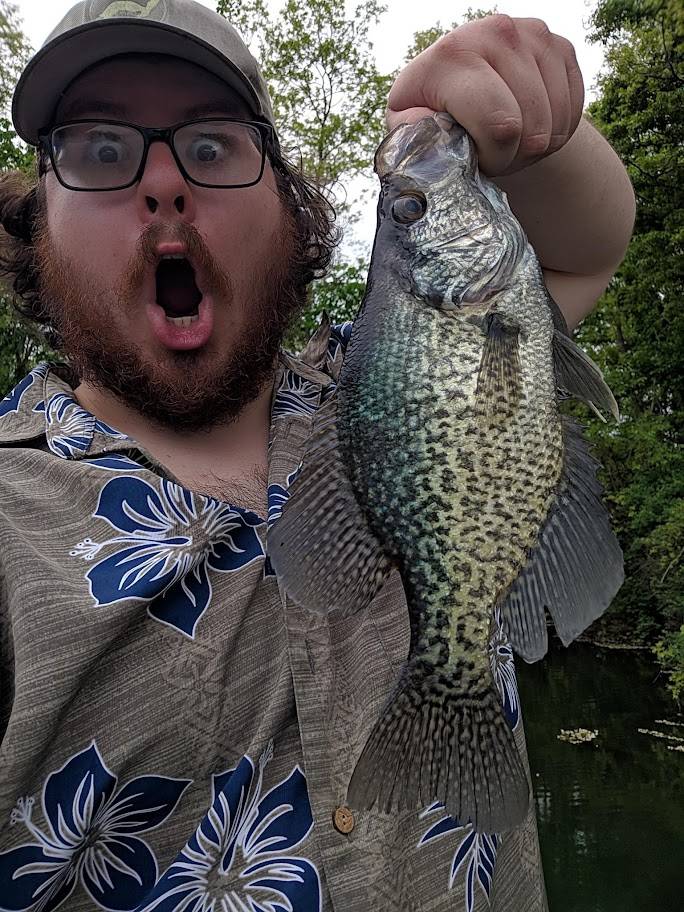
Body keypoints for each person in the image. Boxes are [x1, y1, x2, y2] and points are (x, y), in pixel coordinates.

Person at [0, 1, 634, 910]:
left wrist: (521, 125)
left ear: (286, 203)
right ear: (40, 222)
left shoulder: (379, 378)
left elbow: (590, 243)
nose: (165, 185)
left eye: (212, 147)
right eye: (100, 151)